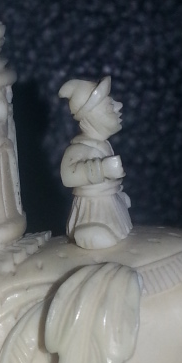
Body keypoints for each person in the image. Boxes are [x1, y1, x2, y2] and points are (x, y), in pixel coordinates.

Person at [59, 77, 132, 250]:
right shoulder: (78, 149)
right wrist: (102, 169)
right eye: (109, 106)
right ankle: (89, 233)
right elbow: (67, 176)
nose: (119, 106)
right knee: (94, 232)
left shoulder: (103, 144)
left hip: (108, 201)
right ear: (90, 116)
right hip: (92, 208)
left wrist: (118, 191)